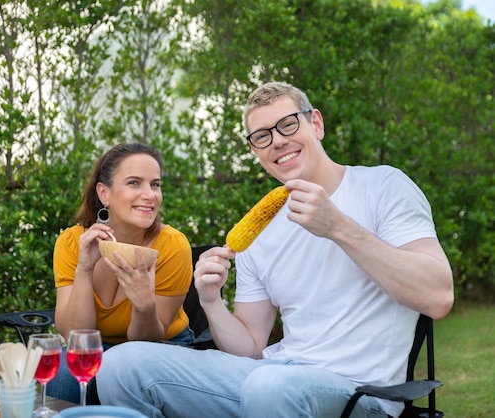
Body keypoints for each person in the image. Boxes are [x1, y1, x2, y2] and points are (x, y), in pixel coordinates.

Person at [95, 82, 454, 417]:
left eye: (287, 125)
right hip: (272, 372)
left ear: (316, 123)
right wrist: (210, 300)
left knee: (269, 387)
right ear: (255, 150)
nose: (277, 142)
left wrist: (338, 227)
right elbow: (250, 346)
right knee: (121, 365)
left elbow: (437, 296)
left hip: (359, 391)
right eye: (262, 136)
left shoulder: (383, 186)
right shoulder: (262, 229)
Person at [47, 142, 194, 404]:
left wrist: (144, 304)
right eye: (135, 183)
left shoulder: (172, 245)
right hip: (96, 346)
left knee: (121, 368)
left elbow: (146, 339)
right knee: (63, 372)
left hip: (163, 346)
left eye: (155, 184)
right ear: (104, 193)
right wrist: (84, 269)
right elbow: (74, 335)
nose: (150, 194)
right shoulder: (72, 243)